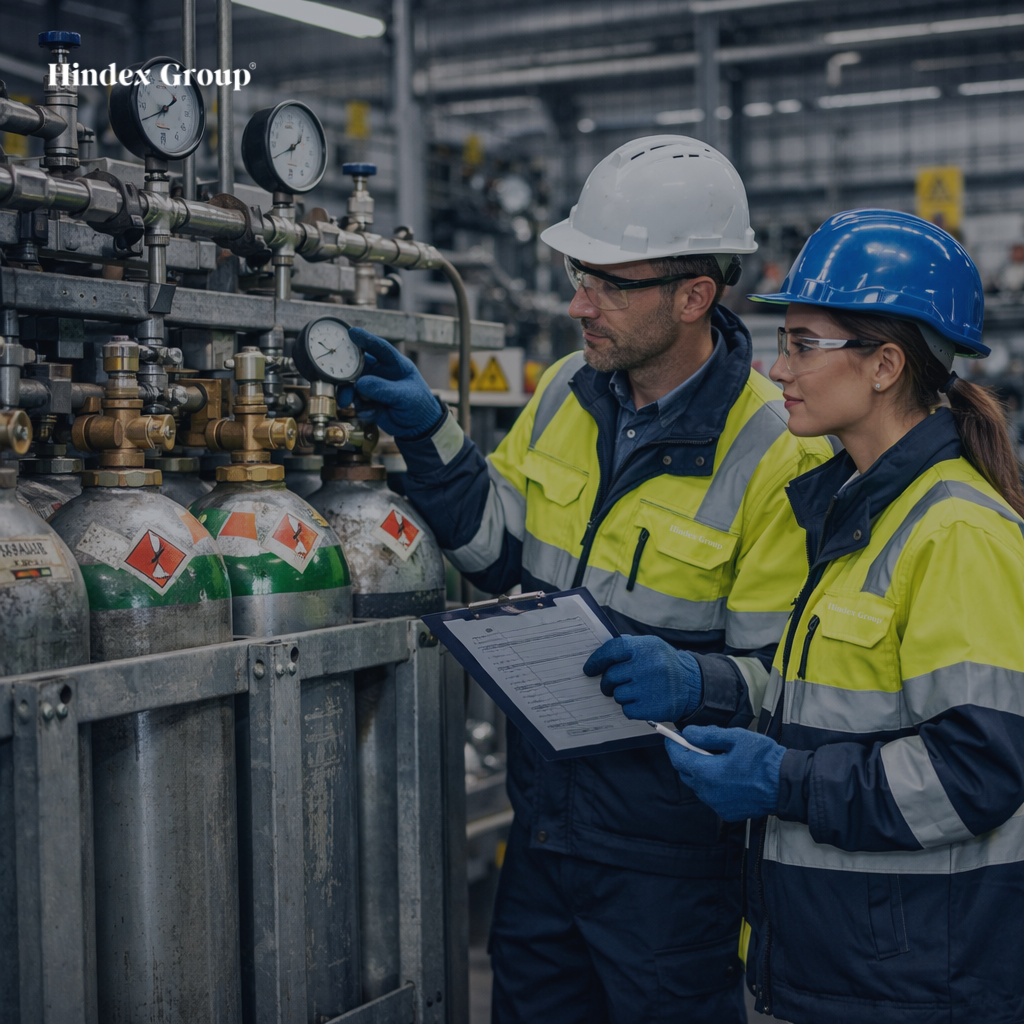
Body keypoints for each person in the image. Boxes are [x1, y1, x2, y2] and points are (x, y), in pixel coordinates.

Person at [347, 135, 832, 1023]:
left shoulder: (777, 451)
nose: (579, 304)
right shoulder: (571, 387)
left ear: (694, 295)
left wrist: (697, 680)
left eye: (610, 283)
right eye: (580, 274)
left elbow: (796, 686)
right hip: (543, 836)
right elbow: (499, 550)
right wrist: (430, 437)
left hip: (673, 866)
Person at [631, 209, 1024, 1024]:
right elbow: (837, 702)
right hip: (844, 961)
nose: (777, 370)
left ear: (885, 364)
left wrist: (781, 780)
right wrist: (705, 688)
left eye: (804, 345)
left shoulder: (956, 533)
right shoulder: (859, 511)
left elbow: (974, 775)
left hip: (917, 982)